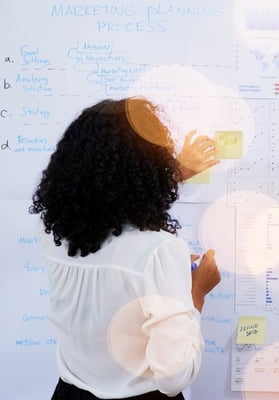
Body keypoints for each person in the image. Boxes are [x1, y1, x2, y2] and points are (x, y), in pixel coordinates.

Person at [30, 97, 223, 400]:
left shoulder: (53, 231)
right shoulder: (159, 251)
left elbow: (111, 226)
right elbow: (174, 377)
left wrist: (174, 174)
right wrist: (195, 292)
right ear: (149, 169)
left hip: (69, 393)